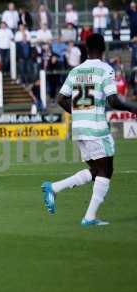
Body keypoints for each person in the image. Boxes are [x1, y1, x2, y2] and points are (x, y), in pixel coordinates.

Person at [41, 34, 137, 226]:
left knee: (96, 170)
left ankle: (55, 188)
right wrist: (133, 108)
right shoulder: (105, 69)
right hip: (96, 128)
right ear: (103, 49)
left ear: (86, 48)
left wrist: (77, 113)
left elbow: (60, 99)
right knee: (106, 170)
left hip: (78, 129)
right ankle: (89, 217)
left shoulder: (75, 71)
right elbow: (113, 100)